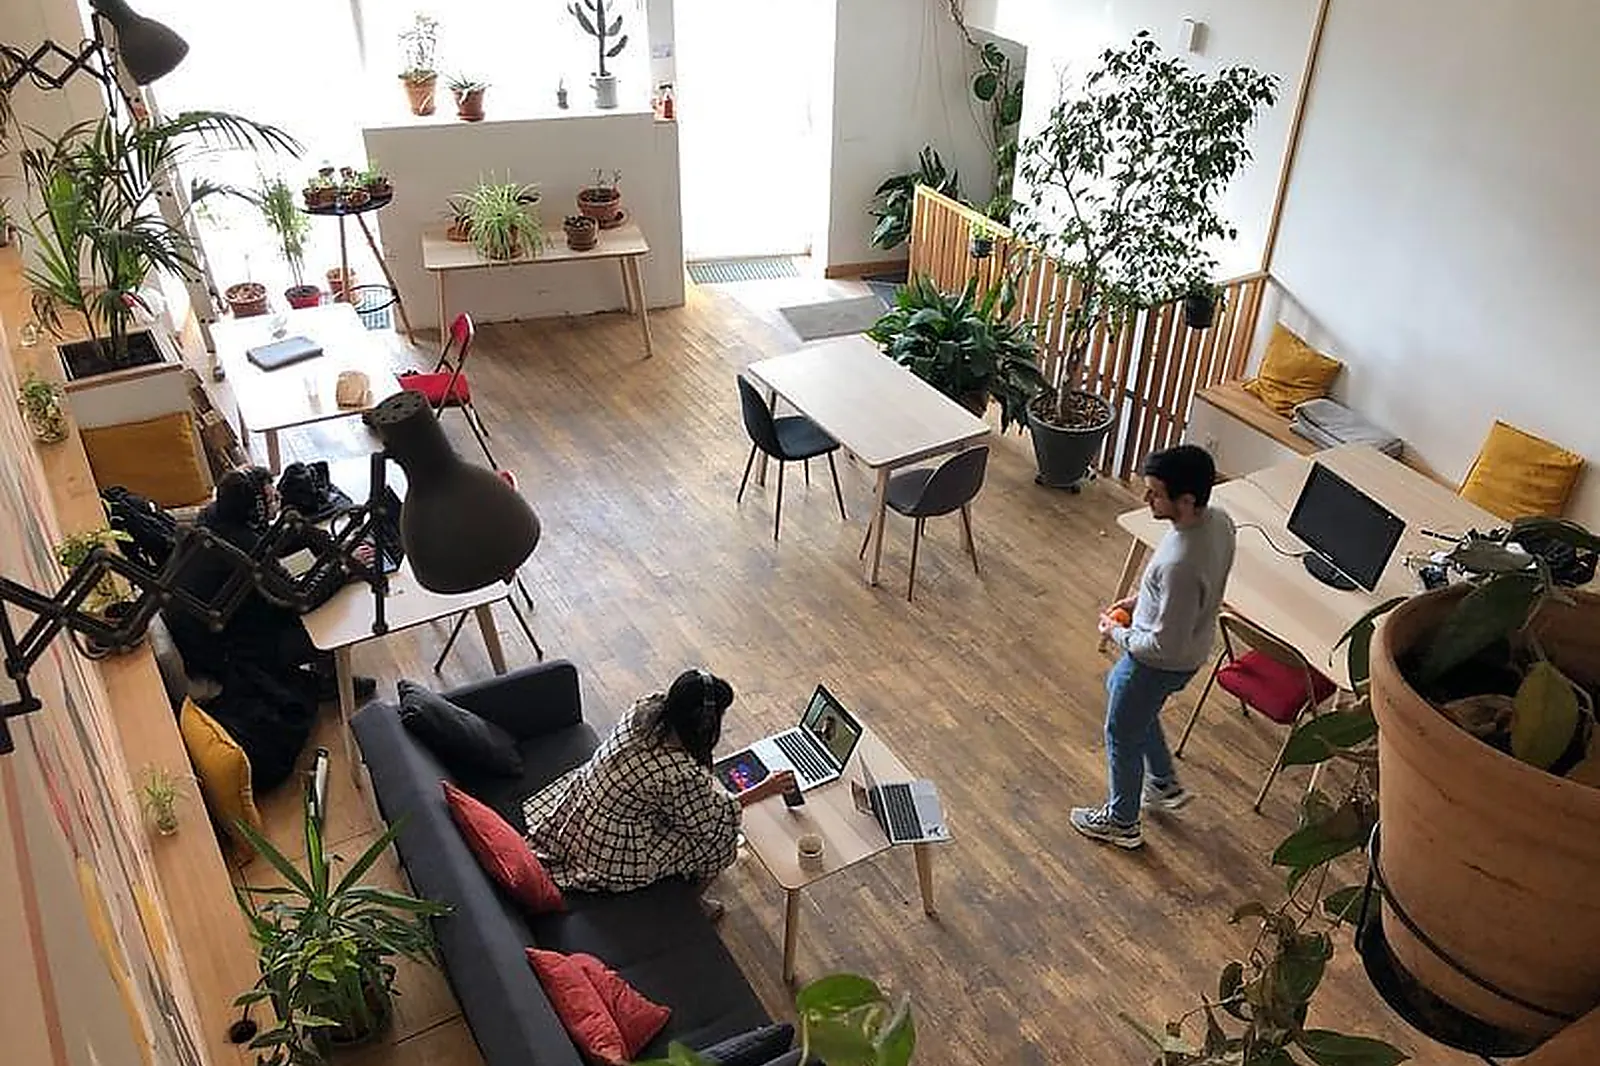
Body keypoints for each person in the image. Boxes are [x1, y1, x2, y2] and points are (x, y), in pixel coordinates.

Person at [1071, 444, 1235, 850]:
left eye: (1156, 493)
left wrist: (1115, 632)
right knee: (1125, 698)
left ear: (1187, 500)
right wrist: (1141, 601)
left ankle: (1122, 821)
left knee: (1120, 733)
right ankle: (1162, 782)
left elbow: (1161, 645)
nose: (1146, 498)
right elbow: (1185, 600)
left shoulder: (1180, 564)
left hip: (1155, 663)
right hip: (1191, 649)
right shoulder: (1219, 522)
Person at [522, 669, 795, 909]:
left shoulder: (643, 711)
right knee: (721, 836)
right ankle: (694, 904)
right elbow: (710, 819)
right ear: (705, 724)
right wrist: (765, 788)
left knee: (686, 810)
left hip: (581, 811)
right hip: (610, 850)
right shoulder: (677, 773)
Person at [163, 465, 376, 699]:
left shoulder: (215, 517)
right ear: (255, 508)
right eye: (271, 497)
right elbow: (300, 598)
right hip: (226, 654)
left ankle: (323, 669)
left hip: (208, 633)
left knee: (318, 583)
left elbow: (272, 541)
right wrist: (343, 567)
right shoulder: (244, 546)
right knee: (329, 615)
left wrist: (331, 548)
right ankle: (333, 682)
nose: (278, 498)